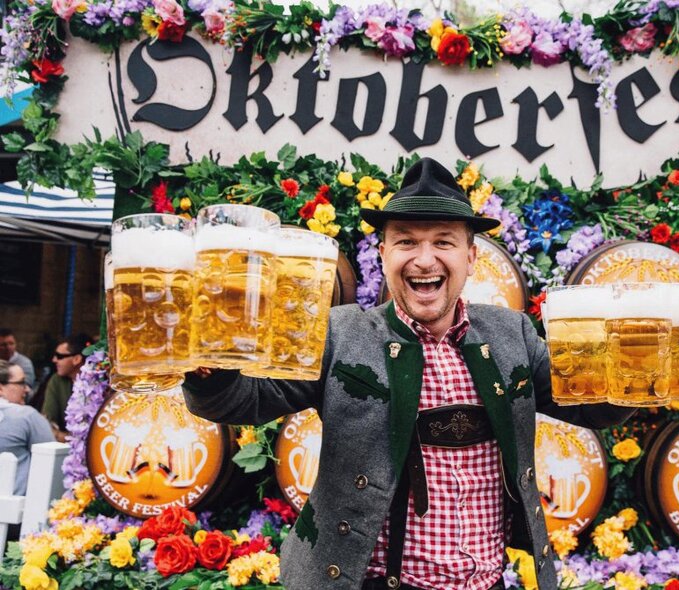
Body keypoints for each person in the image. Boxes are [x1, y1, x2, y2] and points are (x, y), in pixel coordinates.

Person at [184, 158, 633, 590]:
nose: (424, 259)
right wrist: (208, 373)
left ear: (471, 257)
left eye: (443, 241)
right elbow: (243, 401)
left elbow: (594, 407)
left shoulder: (511, 332)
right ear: (382, 254)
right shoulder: (341, 333)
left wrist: (640, 381)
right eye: (406, 242)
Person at [0, 360, 55, 497]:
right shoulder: (27, 416)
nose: (27, 389)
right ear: (1, 389)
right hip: (18, 509)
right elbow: (52, 462)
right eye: (21, 383)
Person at [41, 333, 89, 441]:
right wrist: (71, 440)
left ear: (76, 359)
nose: (54, 360)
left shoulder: (98, 383)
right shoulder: (56, 380)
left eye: (59, 356)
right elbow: (47, 421)